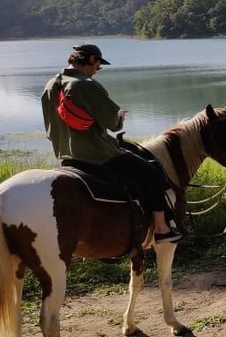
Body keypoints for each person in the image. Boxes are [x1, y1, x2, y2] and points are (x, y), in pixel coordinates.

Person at [41, 43, 182, 243]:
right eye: (98, 66)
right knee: (153, 174)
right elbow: (112, 123)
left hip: (66, 156)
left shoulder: (50, 86)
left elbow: (50, 129)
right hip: (97, 155)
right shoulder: (85, 86)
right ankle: (161, 228)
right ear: (91, 60)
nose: (97, 71)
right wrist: (120, 116)